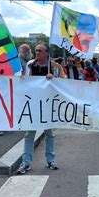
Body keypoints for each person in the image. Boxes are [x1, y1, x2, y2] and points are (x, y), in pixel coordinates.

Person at [17, 43, 66, 174]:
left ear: (46, 53)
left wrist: (54, 78)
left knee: (49, 133)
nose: (37, 53)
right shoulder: (30, 65)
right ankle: (26, 162)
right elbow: (25, 81)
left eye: (40, 51)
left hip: (48, 105)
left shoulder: (55, 67)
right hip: (33, 104)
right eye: (36, 50)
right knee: (29, 134)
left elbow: (65, 82)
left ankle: (51, 160)